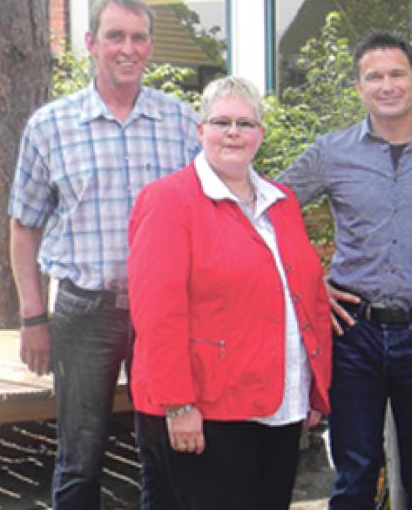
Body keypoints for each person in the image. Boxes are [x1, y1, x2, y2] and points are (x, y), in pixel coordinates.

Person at [7, 0, 200, 509]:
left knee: (163, 447)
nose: (127, 48)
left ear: (151, 47)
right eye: (115, 35)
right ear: (92, 43)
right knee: (81, 453)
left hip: (162, 313)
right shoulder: (51, 126)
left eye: (138, 38)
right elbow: (23, 227)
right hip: (83, 311)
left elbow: (207, 218)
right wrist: (32, 318)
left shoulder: (182, 124)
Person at [127, 75, 332, 510]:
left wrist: (313, 387)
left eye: (246, 123)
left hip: (277, 406)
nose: (234, 133)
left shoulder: (283, 202)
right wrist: (178, 405)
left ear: (261, 134)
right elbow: (156, 313)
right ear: (200, 131)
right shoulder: (169, 201)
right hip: (205, 410)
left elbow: (307, 296)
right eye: (221, 122)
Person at [278, 31, 412, 509]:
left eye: (397, 73)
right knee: (354, 477)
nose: (387, 85)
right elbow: (265, 211)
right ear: (359, 87)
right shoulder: (331, 152)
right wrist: (310, 284)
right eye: (374, 76)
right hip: (352, 336)